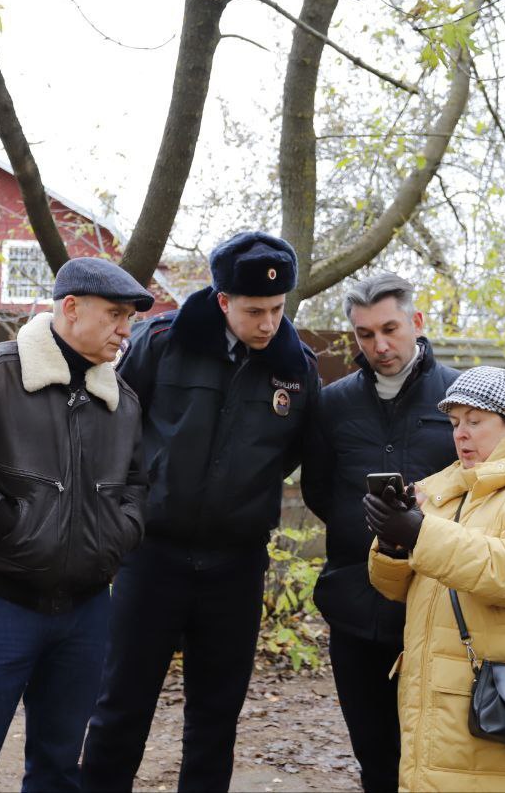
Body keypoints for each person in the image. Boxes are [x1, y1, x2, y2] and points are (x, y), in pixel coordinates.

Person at [81, 231, 321, 792]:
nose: (268, 324)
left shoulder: (296, 368)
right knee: (120, 707)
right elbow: (115, 425)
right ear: (221, 301)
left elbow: (291, 453)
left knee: (215, 719)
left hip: (235, 567)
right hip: (152, 555)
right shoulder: (162, 342)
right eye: (254, 310)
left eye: (278, 309)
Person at [0, 256, 154, 793]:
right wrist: (9, 525)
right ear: (71, 308)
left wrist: (119, 535)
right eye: (116, 314)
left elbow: (137, 487)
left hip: (87, 613)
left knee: (59, 769)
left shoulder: (123, 402)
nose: (125, 330)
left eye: (131, 318)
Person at [365, 366, 505, 792]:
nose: (461, 434)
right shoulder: (454, 486)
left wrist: (419, 533)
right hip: (444, 702)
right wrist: (394, 547)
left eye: (475, 421)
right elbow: (400, 588)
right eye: (454, 423)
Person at [299, 272, 459, 792]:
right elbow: (319, 491)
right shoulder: (332, 403)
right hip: (355, 607)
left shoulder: (458, 399)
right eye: (365, 334)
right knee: (376, 757)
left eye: (390, 328)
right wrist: (363, 533)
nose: (380, 345)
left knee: (438, 756)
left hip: (436, 609)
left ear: (416, 322)